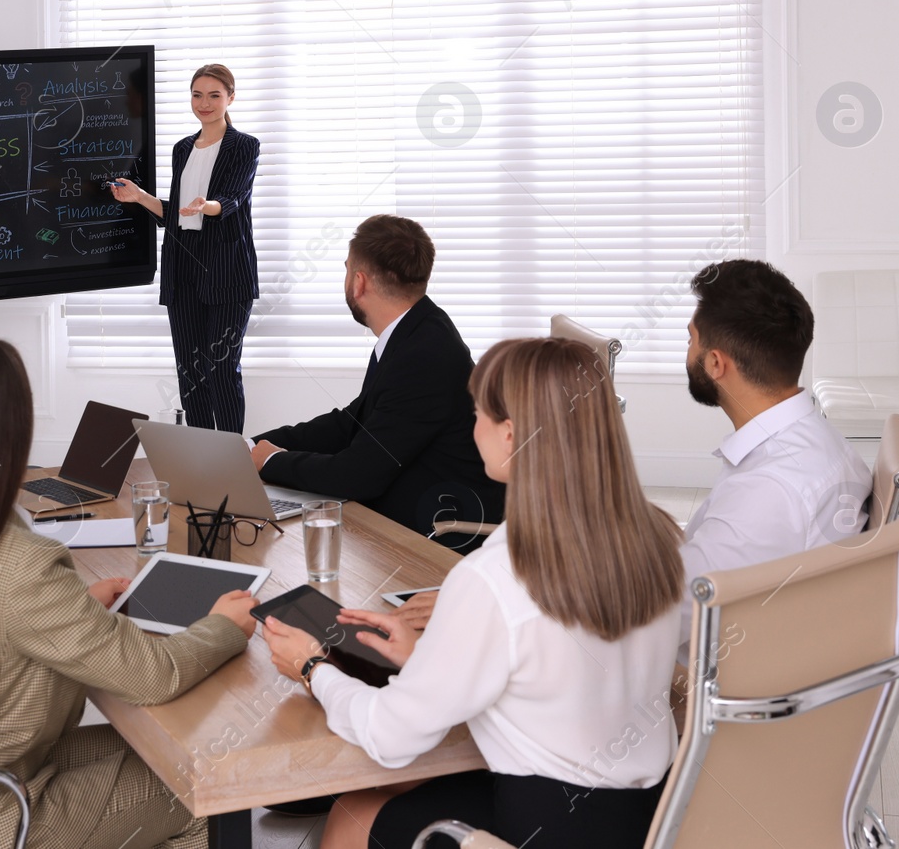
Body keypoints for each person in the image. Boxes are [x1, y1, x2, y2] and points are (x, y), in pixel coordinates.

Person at [262, 337, 685, 849]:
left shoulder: (494, 575)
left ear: (510, 436)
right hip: (647, 818)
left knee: (355, 814)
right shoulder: (661, 540)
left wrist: (313, 668)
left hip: (540, 828)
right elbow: (560, 669)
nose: (472, 427)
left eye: (478, 413)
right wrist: (430, 655)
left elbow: (390, 737)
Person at [0, 337, 258, 849]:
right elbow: (154, 674)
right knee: (203, 782)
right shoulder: (22, 566)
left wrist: (73, 608)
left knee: (171, 750)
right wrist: (222, 626)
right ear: (14, 439)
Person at [249, 214, 501, 538]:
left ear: (359, 282)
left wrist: (272, 462)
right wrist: (252, 447)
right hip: (406, 509)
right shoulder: (416, 330)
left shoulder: (425, 354)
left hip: (437, 534)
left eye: (346, 269)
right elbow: (351, 423)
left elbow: (358, 475)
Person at [678, 258, 870, 641]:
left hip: (704, 676)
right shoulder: (819, 442)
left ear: (716, 363)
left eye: (691, 340)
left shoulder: (768, 488)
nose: (687, 351)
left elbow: (667, 615)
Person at [111, 63, 259, 432]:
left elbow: (234, 198)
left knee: (222, 368)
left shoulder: (245, 146)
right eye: (197, 95)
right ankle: (200, 458)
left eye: (214, 95)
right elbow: (176, 212)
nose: (204, 103)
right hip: (183, 267)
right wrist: (141, 197)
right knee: (191, 371)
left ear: (230, 98)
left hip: (227, 269)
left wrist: (207, 207)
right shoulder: (182, 149)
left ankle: (229, 460)